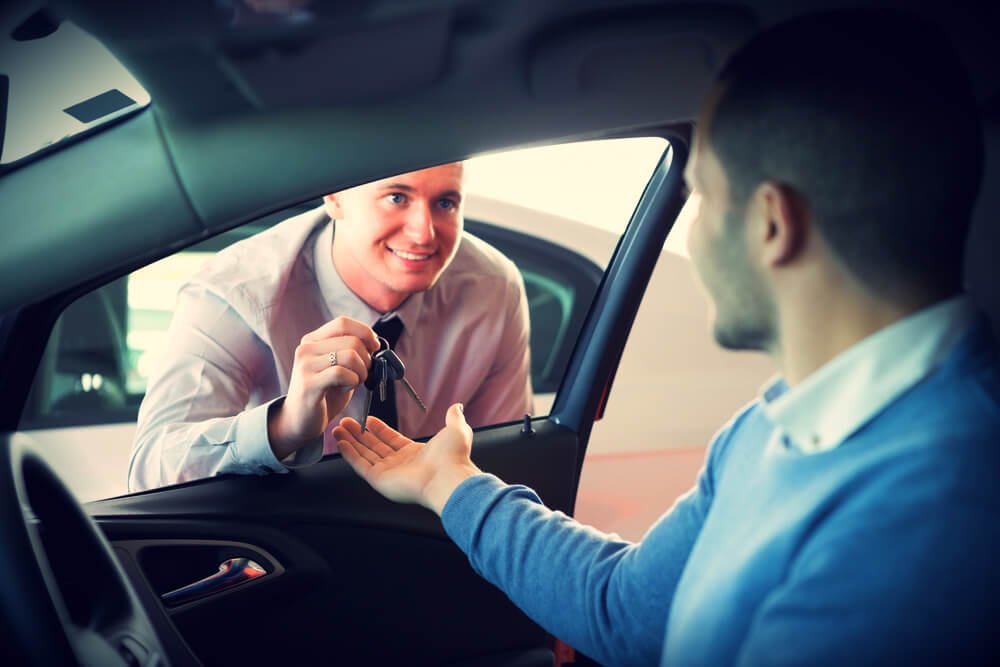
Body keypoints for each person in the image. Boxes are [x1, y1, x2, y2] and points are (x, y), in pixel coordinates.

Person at [333, 9, 1000, 666]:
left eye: (702, 197)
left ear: (772, 224)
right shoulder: (773, 426)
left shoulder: (940, 505)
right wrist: (450, 481)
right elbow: (624, 609)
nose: (695, 233)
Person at [129, 163, 533, 491]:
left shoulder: (493, 291)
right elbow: (152, 472)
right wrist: (285, 426)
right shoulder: (236, 293)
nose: (423, 232)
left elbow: (513, 459)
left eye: (445, 202)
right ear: (335, 196)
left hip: (434, 538)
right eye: (397, 197)